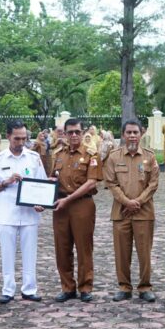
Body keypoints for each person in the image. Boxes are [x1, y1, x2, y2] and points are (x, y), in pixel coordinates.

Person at [0, 121, 47, 304]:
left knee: (30, 253)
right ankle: (8, 289)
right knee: (7, 253)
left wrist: (41, 203)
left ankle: (29, 289)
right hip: (7, 213)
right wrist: (6, 182)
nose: (21, 142)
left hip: (29, 214)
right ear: (8, 136)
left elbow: (42, 184)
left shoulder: (34, 157)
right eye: (17, 138)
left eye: (24, 138)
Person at [103, 119, 160, 302]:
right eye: (129, 132)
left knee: (145, 252)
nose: (132, 136)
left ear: (141, 133)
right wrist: (127, 202)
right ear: (123, 134)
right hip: (121, 213)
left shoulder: (150, 157)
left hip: (144, 213)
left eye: (135, 132)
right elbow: (111, 183)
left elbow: (153, 184)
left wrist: (137, 202)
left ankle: (145, 287)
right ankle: (124, 286)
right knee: (121, 252)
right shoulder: (114, 157)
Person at [50, 118, 102, 302]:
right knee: (62, 248)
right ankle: (67, 287)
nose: (73, 135)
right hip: (60, 206)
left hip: (82, 205)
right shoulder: (57, 155)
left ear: (82, 133)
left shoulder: (91, 155)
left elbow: (91, 183)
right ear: (64, 133)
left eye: (77, 132)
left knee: (83, 247)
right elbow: (52, 180)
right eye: (70, 132)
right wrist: (44, 196)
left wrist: (68, 199)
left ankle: (85, 287)